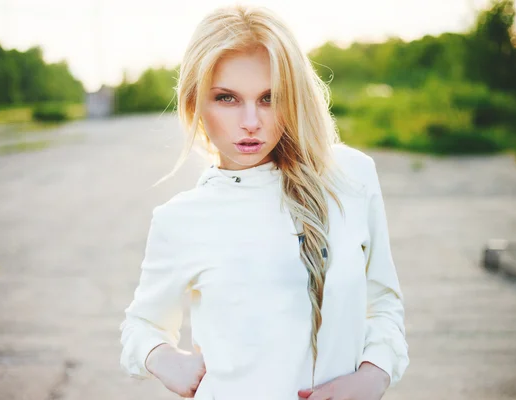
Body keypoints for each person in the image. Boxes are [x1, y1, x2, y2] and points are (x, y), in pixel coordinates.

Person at [119, 4, 409, 400]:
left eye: (270, 98)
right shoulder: (181, 219)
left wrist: (373, 376)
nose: (251, 121)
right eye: (227, 98)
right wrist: (162, 357)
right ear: (194, 103)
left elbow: (383, 303)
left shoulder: (350, 176)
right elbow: (141, 325)